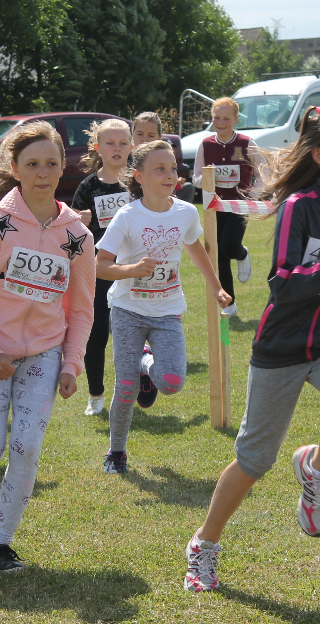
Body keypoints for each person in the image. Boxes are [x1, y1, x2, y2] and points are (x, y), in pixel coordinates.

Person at [183, 104, 320, 592]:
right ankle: (203, 545)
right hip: (282, 345)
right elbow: (284, 285)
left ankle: (316, 469)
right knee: (254, 461)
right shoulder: (300, 206)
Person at [0, 121, 94, 572]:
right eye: (32, 164)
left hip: (45, 353)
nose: (42, 173)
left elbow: (82, 308)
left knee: (27, 447)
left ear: (63, 166)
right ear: (15, 168)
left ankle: (1, 542)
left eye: (51, 163)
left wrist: (71, 363)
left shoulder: (77, 237)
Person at [97, 140, 231, 475]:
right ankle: (116, 451)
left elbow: (194, 247)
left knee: (172, 382)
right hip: (127, 310)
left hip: (167, 311)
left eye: (173, 168)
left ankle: (146, 363)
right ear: (139, 176)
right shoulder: (127, 217)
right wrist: (132, 270)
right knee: (125, 388)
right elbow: (100, 266)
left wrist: (217, 287)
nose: (170, 175)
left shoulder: (185, 212)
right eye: (160, 169)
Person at [71, 119, 134, 416]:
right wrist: (78, 219)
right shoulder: (88, 186)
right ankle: (96, 394)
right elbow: (72, 230)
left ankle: (133, 386)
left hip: (132, 268)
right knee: (96, 335)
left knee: (131, 333)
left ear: (131, 147)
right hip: (97, 270)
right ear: (98, 148)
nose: (117, 148)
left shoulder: (138, 182)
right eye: (110, 143)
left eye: (123, 143)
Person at [192, 97, 259, 316]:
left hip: (240, 204)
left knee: (229, 247)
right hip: (214, 206)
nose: (221, 123)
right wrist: (207, 178)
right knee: (217, 255)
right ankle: (229, 304)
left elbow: (264, 172)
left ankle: (242, 253)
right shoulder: (206, 144)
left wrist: (253, 196)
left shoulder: (247, 143)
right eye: (217, 117)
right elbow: (196, 177)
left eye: (226, 118)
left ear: (236, 119)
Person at [133, 112, 194, 203]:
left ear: (159, 137)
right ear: (132, 133)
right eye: (140, 134)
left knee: (189, 187)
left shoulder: (165, 159)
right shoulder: (123, 160)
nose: (145, 139)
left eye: (151, 135)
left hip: (159, 206)